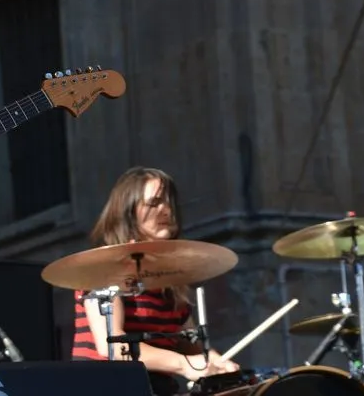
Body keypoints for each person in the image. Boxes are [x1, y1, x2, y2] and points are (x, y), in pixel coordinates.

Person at [71, 166, 240, 396]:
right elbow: (113, 346)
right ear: (128, 212)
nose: (166, 210)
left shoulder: (169, 282)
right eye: (154, 203)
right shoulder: (103, 268)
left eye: (170, 203)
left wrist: (220, 366)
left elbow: (193, 346)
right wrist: (186, 365)